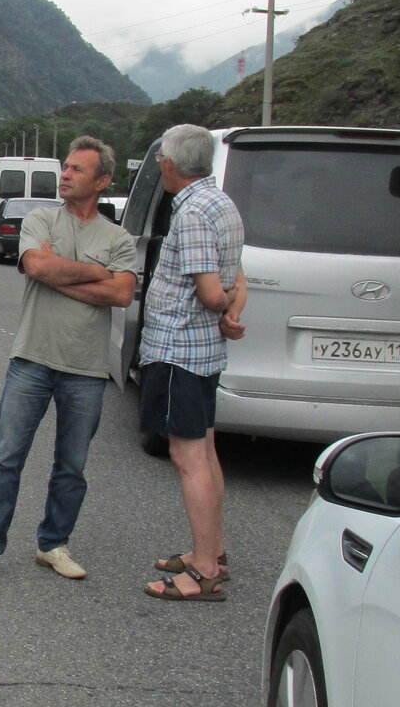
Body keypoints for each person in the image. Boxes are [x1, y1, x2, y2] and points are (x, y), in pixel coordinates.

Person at [0, 137, 137, 583]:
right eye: (66, 167)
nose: (66, 175)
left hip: (87, 369)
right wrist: (97, 271)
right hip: (32, 359)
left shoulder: (118, 237)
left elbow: (121, 293)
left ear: (102, 181)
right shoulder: (40, 218)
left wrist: (65, 273)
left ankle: (53, 544)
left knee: (71, 466)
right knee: (6, 458)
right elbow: (37, 266)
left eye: (78, 170)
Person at [138, 124, 246, 603]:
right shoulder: (222, 203)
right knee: (205, 449)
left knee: (187, 457)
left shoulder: (194, 212)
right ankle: (213, 549)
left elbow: (209, 292)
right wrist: (234, 308)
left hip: (179, 349)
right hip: (203, 352)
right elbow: (237, 272)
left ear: (169, 163)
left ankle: (204, 570)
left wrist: (225, 307)